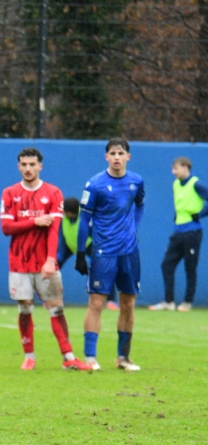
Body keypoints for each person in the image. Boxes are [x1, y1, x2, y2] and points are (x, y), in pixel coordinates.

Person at [0, 148, 91, 371]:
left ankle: (68, 358)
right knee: (25, 309)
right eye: (24, 165)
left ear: (40, 166)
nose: (28, 169)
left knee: (56, 307)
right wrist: (34, 221)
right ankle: (29, 356)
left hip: (44, 262)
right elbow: (6, 227)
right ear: (18, 167)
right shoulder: (10, 193)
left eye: (32, 164)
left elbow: (54, 230)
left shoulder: (53, 193)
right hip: (19, 262)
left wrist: (51, 259)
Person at [75, 138, 144, 372]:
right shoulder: (94, 184)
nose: (116, 157)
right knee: (96, 303)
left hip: (129, 252)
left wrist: (134, 226)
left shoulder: (136, 181)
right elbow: (84, 219)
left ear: (128, 157)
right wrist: (81, 253)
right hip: (103, 252)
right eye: (112, 153)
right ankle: (90, 357)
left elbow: (140, 204)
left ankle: (123, 358)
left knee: (128, 303)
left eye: (121, 153)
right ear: (106, 157)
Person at [149, 157, 208, 312]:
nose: (173, 172)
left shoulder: (196, 184)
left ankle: (187, 302)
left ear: (186, 167)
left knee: (190, 267)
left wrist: (201, 214)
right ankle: (169, 301)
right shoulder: (176, 184)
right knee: (166, 264)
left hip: (192, 232)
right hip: (178, 231)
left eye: (176, 168)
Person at [58, 197, 119, 310]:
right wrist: (59, 257)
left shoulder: (87, 216)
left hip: (88, 244)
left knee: (105, 268)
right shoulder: (62, 218)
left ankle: (111, 300)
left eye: (66, 212)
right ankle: (52, 299)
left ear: (71, 212)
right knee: (54, 267)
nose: (64, 213)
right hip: (69, 245)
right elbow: (61, 236)